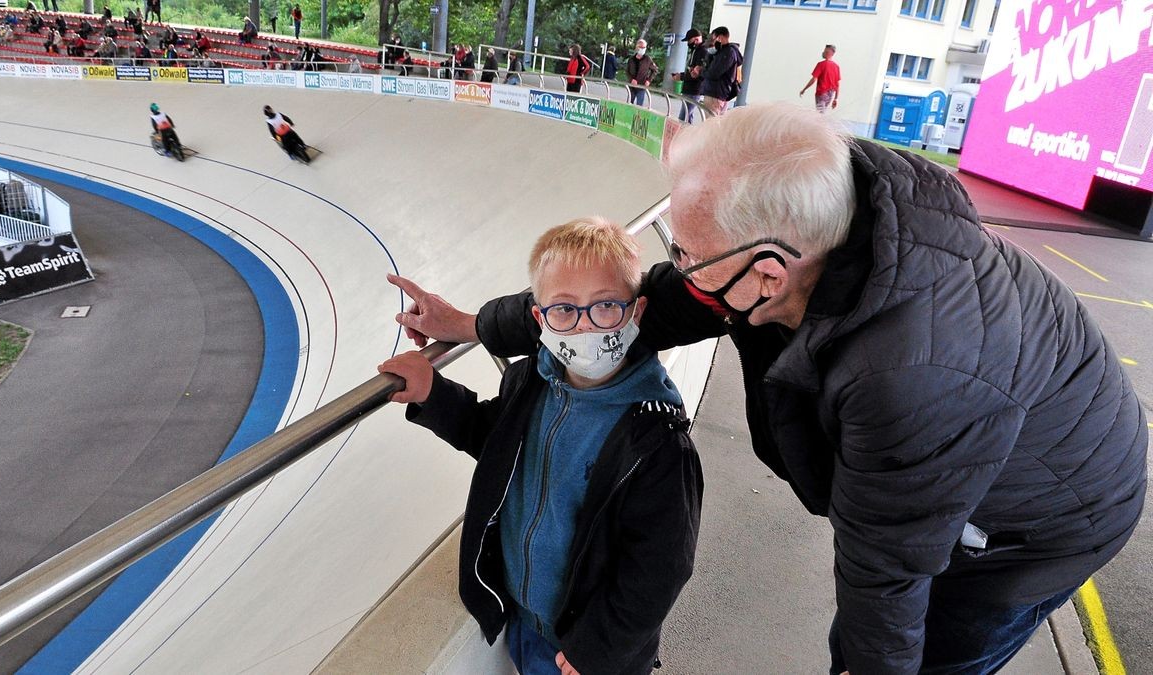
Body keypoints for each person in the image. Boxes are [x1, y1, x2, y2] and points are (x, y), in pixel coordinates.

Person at [389, 101, 1149, 675]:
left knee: (926, 651)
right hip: (971, 436)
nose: (676, 269)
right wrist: (474, 326)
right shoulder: (807, 215)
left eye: (686, 252)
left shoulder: (908, 379)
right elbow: (634, 302)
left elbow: (885, 575)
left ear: (768, 275)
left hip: (1036, 524)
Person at [379, 218, 703, 675]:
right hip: (525, 623)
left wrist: (597, 649)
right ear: (539, 318)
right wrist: (435, 393)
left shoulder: (657, 442)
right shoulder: (528, 382)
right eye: (564, 310)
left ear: (638, 311)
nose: (585, 327)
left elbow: (657, 570)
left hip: (587, 653)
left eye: (606, 306)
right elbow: (491, 439)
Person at [700, 26, 742, 116]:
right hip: (717, 93)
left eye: (713, 39)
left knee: (711, 124)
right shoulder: (722, 52)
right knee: (715, 123)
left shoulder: (727, 53)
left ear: (720, 38)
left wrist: (701, 72)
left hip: (716, 94)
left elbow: (714, 74)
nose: (712, 42)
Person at [672, 28, 707, 122]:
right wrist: (682, 75)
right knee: (687, 116)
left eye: (689, 40)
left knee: (684, 117)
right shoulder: (695, 50)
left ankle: (682, 135)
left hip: (694, 90)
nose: (688, 43)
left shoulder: (703, 52)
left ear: (696, 39)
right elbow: (691, 70)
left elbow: (696, 74)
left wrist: (682, 77)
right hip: (689, 88)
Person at [800, 44, 840, 114]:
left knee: (820, 114)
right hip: (830, 94)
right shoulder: (836, 66)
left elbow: (813, 79)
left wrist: (804, 89)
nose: (823, 53)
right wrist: (836, 98)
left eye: (825, 51)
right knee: (822, 113)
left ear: (829, 52)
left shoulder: (821, 64)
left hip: (821, 93)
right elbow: (837, 84)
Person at [625, 39, 657, 107]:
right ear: (637, 47)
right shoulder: (631, 59)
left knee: (639, 106)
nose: (643, 49)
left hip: (641, 87)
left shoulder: (647, 59)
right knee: (629, 105)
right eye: (641, 47)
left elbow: (655, 70)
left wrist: (648, 80)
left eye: (644, 47)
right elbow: (627, 71)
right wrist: (631, 79)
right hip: (632, 87)